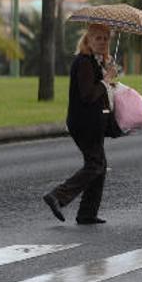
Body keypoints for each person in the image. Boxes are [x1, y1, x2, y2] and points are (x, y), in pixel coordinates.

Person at [43, 23, 118, 225]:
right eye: (98, 38)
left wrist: (108, 76)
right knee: (95, 165)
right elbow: (88, 95)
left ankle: (87, 213)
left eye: (106, 38)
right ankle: (57, 196)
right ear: (88, 40)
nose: (102, 42)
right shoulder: (84, 62)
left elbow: (102, 91)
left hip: (94, 122)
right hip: (84, 123)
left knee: (99, 166)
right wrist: (105, 81)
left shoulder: (96, 62)